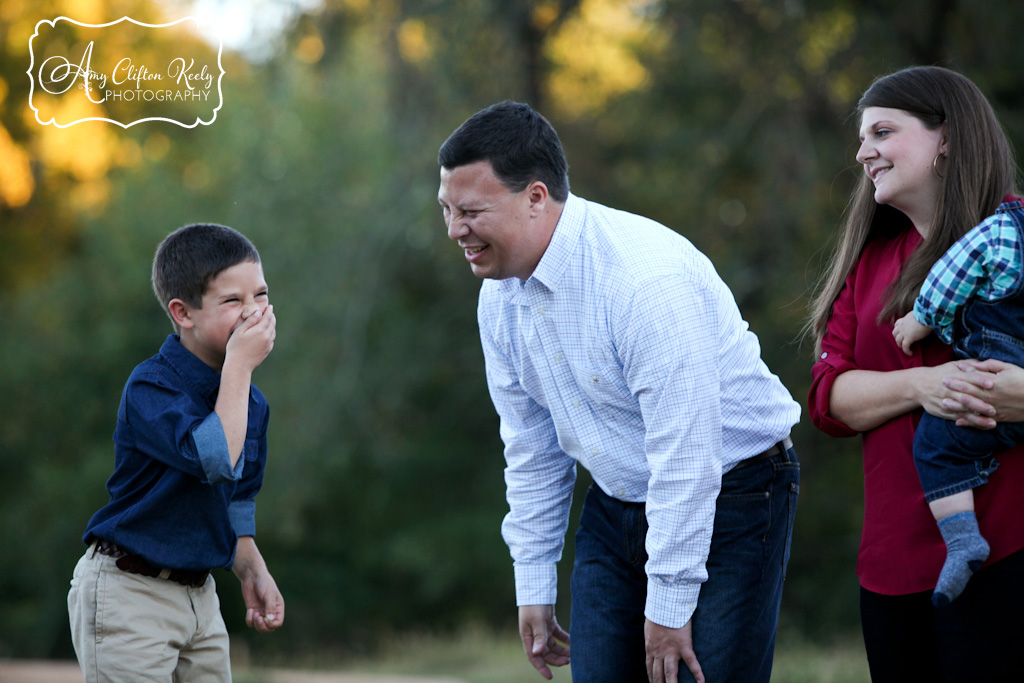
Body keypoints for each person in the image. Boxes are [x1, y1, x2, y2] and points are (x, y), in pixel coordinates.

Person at [438, 100, 800, 683]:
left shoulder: (643, 282)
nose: (455, 230)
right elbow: (531, 446)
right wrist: (533, 580)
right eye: (447, 210)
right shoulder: (499, 296)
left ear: (535, 197)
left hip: (735, 492)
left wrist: (670, 603)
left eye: (472, 211)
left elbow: (688, 456)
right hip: (615, 499)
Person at [808, 65, 1024, 682]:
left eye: (882, 131)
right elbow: (828, 398)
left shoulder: (1017, 235)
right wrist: (921, 385)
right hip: (893, 565)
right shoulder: (869, 261)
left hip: (1008, 548)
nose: (862, 152)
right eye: (860, 137)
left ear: (946, 137)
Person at [68, 223, 284, 682]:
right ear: (183, 313)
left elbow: (239, 496)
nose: (253, 314)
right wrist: (241, 366)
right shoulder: (152, 386)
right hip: (130, 591)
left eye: (260, 296)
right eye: (233, 301)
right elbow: (216, 460)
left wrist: (250, 568)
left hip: (199, 596)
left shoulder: (251, 403)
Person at [893, 201, 1024, 606]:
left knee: (935, 445)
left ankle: (963, 540)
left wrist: (922, 316)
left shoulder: (1003, 229)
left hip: (995, 366)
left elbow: (955, 271)